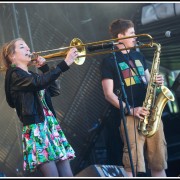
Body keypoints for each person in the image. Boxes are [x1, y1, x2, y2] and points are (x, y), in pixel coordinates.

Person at [0, 38, 78, 177]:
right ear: (12, 56)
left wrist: (44, 68)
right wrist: (65, 63)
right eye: (23, 47)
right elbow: (38, 83)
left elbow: (54, 90)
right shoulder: (14, 75)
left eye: (28, 47)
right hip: (36, 128)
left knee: (67, 174)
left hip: (50, 126)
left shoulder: (33, 75)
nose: (28, 49)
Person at [101, 18, 167, 177]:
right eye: (131, 33)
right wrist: (131, 109)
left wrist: (156, 82)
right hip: (130, 115)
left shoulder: (138, 55)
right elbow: (108, 94)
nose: (135, 36)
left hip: (150, 113)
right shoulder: (109, 61)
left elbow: (147, 81)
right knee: (133, 165)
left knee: (159, 162)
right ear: (120, 36)